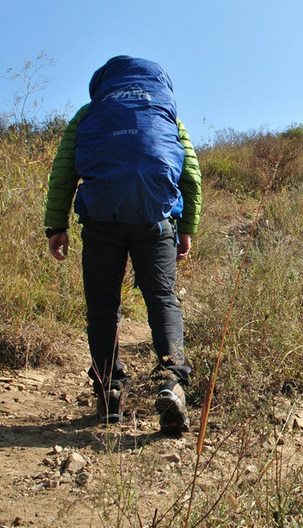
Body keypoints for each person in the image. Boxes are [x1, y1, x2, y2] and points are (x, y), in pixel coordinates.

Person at [44, 56, 202, 435]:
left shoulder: (90, 113)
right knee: (162, 299)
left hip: (102, 222)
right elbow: (190, 175)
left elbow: (64, 170)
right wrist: (187, 227)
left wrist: (56, 224)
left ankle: (109, 390)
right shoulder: (165, 114)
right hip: (156, 220)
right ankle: (172, 382)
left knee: (103, 305)